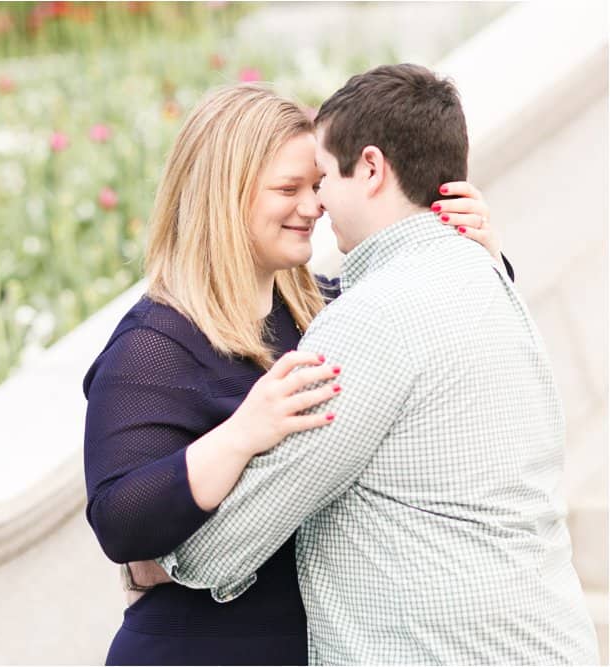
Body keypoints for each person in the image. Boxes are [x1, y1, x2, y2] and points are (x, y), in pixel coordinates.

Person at [145, 65, 600, 664]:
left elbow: (219, 550)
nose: (317, 203)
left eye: (325, 177)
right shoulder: (488, 275)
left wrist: (159, 559)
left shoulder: (374, 320)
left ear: (372, 168)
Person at [82, 80, 513, 665]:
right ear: (221, 196)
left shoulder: (330, 309)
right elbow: (121, 522)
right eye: (288, 189)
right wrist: (240, 436)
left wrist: (476, 255)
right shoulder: (155, 344)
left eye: (316, 186)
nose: (313, 207)